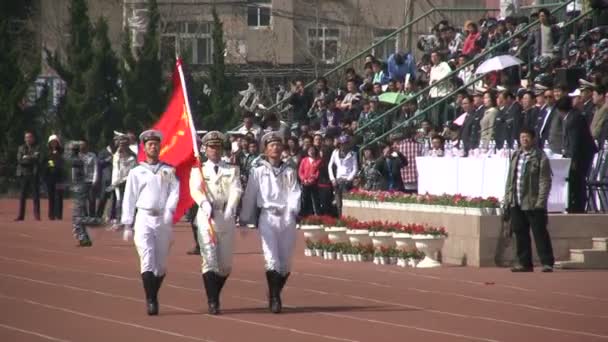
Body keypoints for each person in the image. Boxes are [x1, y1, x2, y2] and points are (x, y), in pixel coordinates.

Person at [240, 131, 301, 314]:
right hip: (267, 216)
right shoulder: (258, 171)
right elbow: (250, 195)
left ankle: (274, 290)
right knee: (271, 259)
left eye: (278, 145)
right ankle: (275, 298)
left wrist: (292, 210)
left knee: (286, 264)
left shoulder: (289, 171)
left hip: (286, 217)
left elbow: (295, 192)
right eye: (271, 145)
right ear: (265, 149)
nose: (275, 148)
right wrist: (245, 218)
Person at [121, 130, 180, 316]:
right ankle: (151, 300)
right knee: (147, 259)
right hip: (144, 218)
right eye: (149, 144)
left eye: (156, 144)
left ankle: (153, 293)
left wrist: (170, 209)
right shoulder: (136, 172)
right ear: (144, 148)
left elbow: (174, 191)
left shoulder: (167, 170)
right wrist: (127, 224)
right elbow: (129, 198)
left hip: (162, 219)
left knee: (161, 265)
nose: (153, 147)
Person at [189, 131, 242, 315]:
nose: (215, 150)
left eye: (218, 147)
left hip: (225, 216)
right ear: (205, 149)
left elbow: (236, 189)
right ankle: (213, 301)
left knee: (225, 265)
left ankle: (214, 291)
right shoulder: (198, 169)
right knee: (209, 260)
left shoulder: (232, 169)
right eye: (211, 147)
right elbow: (195, 189)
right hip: (207, 216)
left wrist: (231, 208)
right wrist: (204, 203)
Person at [504, 128, 554, 272]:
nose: (524, 140)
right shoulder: (516, 155)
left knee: (539, 233)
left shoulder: (540, 156)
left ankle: (547, 262)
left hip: (533, 202)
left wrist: (541, 201)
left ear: (533, 139)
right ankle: (524, 263)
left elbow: (545, 181)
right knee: (520, 233)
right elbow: (510, 179)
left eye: (527, 137)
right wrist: (508, 198)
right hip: (517, 200)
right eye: (522, 137)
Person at [557, 96, 598, 213]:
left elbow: (575, 142)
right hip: (577, 155)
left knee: (577, 180)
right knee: (574, 180)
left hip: (581, 156)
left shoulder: (574, 119)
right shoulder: (570, 117)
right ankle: (573, 204)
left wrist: (573, 160)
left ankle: (578, 207)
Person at [67, 141, 105, 247]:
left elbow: (74, 176)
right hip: (80, 187)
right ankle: (84, 237)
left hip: (80, 187)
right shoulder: (77, 160)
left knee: (78, 215)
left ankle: (87, 233)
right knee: (79, 214)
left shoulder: (76, 161)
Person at [328, 135, 358, 217]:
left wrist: (349, 179)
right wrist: (332, 179)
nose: (343, 145)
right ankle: (339, 217)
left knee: (346, 200)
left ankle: (347, 217)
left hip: (347, 180)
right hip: (338, 179)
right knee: (338, 201)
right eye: (342, 143)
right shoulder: (335, 152)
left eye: (345, 143)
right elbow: (330, 166)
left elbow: (355, 168)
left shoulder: (352, 154)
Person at [15, 131, 41, 221]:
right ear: (24, 139)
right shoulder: (21, 148)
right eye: (26, 137)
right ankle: (21, 216)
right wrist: (31, 157)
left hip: (34, 173)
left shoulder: (37, 147)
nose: (28, 139)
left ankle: (37, 215)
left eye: (30, 137)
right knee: (22, 196)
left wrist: (26, 157)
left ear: (33, 138)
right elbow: (19, 160)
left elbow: (37, 159)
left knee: (36, 196)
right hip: (23, 174)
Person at [44, 135, 65, 220]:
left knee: (59, 196)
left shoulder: (62, 153)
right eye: (52, 142)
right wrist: (52, 164)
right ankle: (51, 214)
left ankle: (59, 215)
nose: (53, 144)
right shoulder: (47, 153)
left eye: (55, 142)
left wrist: (53, 163)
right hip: (50, 177)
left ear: (57, 143)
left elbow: (61, 163)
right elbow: (47, 163)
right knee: (51, 196)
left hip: (60, 177)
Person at [298, 145, 322, 217]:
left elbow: (318, 172)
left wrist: (312, 180)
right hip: (304, 183)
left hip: (314, 183)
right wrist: (303, 179)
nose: (311, 152)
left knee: (315, 199)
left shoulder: (318, 161)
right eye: (309, 150)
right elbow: (300, 171)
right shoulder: (304, 160)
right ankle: (304, 214)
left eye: (312, 150)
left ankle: (316, 214)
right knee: (305, 199)